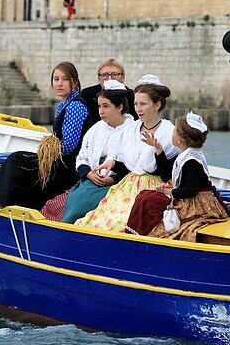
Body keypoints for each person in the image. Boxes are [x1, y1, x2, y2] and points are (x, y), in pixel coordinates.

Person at [76, 76, 180, 232]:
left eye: (143, 104)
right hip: (130, 184)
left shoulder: (168, 131)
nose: (138, 109)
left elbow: (167, 174)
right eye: (136, 104)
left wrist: (158, 149)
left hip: (154, 187)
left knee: (123, 220)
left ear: (157, 104)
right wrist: (113, 163)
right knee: (103, 216)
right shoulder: (131, 129)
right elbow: (129, 166)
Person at [0, 62, 88, 210]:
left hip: (67, 167)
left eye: (65, 79)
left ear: (74, 82)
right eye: (56, 79)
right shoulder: (64, 105)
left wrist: (46, 155)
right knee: (16, 159)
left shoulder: (76, 106)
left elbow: (68, 146)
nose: (60, 84)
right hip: (59, 162)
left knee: (17, 161)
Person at [125, 112, 227, 241]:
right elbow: (166, 174)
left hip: (197, 203)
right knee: (145, 196)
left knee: (148, 200)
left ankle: (140, 235)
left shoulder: (191, 161)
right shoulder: (185, 154)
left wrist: (168, 191)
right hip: (188, 197)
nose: (170, 135)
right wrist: (158, 148)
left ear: (180, 139)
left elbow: (191, 190)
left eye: (174, 132)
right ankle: (135, 233)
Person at [48, 80, 133, 223]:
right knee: (56, 204)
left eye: (106, 106)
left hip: (116, 184)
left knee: (82, 203)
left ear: (120, 107)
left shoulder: (132, 130)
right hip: (91, 178)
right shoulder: (96, 129)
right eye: (99, 106)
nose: (101, 111)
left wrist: (111, 179)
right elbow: (82, 157)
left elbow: (133, 164)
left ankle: (68, 227)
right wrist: (88, 173)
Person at [78, 59, 136, 137]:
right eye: (105, 75)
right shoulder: (87, 95)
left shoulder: (133, 96)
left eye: (114, 74)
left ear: (123, 78)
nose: (109, 78)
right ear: (99, 79)